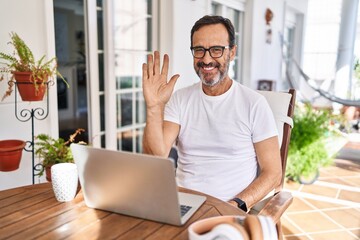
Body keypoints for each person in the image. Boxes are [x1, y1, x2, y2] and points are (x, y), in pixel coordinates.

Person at [142, 15, 282, 212]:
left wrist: (237, 205)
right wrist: (154, 107)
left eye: (216, 49)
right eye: (199, 50)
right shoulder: (180, 99)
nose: (206, 59)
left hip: (230, 208)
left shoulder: (254, 104)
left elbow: (273, 173)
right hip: (182, 204)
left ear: (232, 52)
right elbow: (155, 157)